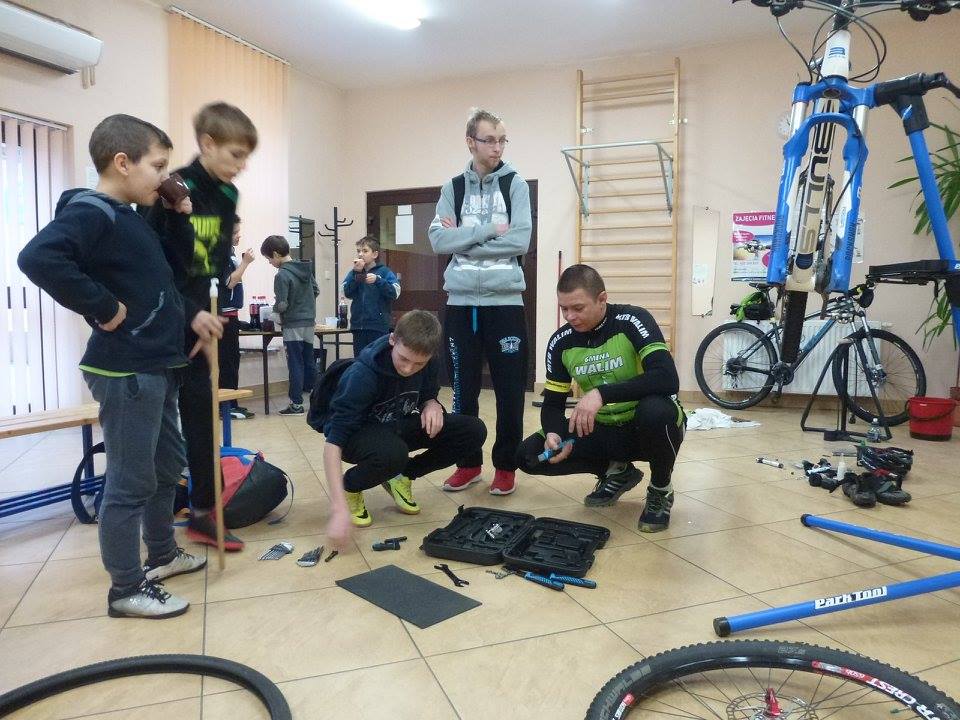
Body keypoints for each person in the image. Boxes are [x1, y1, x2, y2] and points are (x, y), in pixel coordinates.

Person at [17, 114, 221, 618]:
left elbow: (169, 276)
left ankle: (163, 555)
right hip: (126, 370)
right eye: (159, 166)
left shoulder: (130, 215)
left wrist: (179, 214)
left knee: (165, 467)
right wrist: (103, 307)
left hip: (158, 363)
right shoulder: (93, 212)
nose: (165, 176)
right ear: (123, 162)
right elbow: (38, 258)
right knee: (131, 482)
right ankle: (126, 588)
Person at [145, 101, 257, 551]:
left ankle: (205, 513)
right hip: (163, 317)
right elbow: (153, 265)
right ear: (207, 144)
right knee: (158, 427)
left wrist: (208, 315)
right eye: (235, 154)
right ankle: (155, 523)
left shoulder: (228, 196)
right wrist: (187, 313)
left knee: (201, 416)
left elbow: (212, 265)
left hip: (201, 316)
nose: (242, 165)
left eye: (246, 157)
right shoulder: (169, 188)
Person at [516, 264, 686, 533]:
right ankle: (617, 471)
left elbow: (666, 378)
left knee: (656, 411)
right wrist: (553, 432)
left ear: (602, 299)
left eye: (578, 308)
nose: (570, 316)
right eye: (564, 309)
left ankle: (660, 488)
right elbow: (553, 403)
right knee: (528, 455)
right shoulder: (561, 342)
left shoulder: (633, 320)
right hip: (603, 429)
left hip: (644, 426)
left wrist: (601, 394)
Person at [427, 107, 532, 496]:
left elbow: (520, 240)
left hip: (505, 304)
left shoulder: (515, 185)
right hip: (462, 305)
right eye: (490, 140)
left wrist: (465, 239)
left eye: (502, 140)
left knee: (509, 391)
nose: (497, 147)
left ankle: (505, 466)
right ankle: (468, 464)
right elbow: (438, 240)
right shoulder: (453, 189)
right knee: (462, 391)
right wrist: (490, 230)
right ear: (471, 142)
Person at [322, 311, 487, 544]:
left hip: (395, 425)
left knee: (473, 431)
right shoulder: (362, 375)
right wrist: (338, 508)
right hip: (356, 436)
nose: (409, 369)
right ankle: (350, 486)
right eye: (403, 359)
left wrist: (431, 404)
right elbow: (333, 442)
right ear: (393, 340)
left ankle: (402, 476)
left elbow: (427, 394)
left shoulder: (428, 362)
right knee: (394, 453)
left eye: (419, 363)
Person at [261, 234, 320, 415]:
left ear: (276, 254)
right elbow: (316, 290)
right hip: (309, 321)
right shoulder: (305, 269)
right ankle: (319, 400)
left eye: (269, 259)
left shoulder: (282, 275)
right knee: (309, 361)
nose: (270, 262)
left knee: (295, 362)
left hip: (293, 323)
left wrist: (273, 313)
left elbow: (282, 305)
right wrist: (304, 304)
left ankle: (296, 404)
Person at [220, 215, 255, 419]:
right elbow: (229, 283)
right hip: (223, 316)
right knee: (227, 362)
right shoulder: (222, 255)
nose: (238, 236)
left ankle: (231, 403)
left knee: (232, 360)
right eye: (234, 232)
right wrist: (245, 263)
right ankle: (227, 406)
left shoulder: (230, 253)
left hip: (231, 314)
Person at [342, 235, 400, 355]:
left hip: (378, 326)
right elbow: (346, 292)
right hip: (358, 326)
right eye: (358, 251)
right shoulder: (354, 272)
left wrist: (378, 280)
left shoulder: (384, 272)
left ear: (375, 254)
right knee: (360, 359)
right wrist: (356, 274)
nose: (360, 254)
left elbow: (395, 293)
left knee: (377, 358)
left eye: (365, 251)